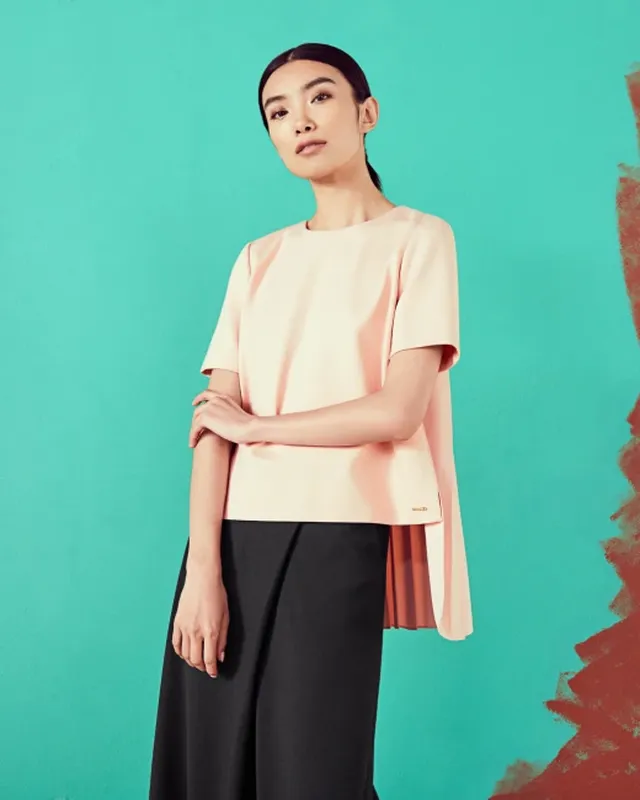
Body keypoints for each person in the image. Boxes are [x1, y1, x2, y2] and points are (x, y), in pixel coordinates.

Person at [148, 41, 473, 800]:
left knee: (313, 770)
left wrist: (258, 429)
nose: (300, 120)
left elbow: (397, 410)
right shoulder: (257, 259)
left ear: (367, 112)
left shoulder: (420, 239)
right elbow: (212, 426)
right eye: (278, 111)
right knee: (210, 771)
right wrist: (202, 573)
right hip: (229, 540)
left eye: (320, 97)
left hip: (339, 531)